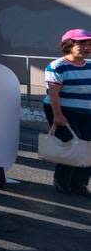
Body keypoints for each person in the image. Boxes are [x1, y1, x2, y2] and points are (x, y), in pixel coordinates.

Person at [44, 29, 91, 195]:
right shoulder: (57, 66)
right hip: (64, 111)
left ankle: (79, 184)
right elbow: (53, 94)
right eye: (82, 43)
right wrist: (57, 115)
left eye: (89, 43)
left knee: (88, 147)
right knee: (72, 145)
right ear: (68, 45)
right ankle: (62, 182)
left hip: (87, 111)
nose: (87, 47)